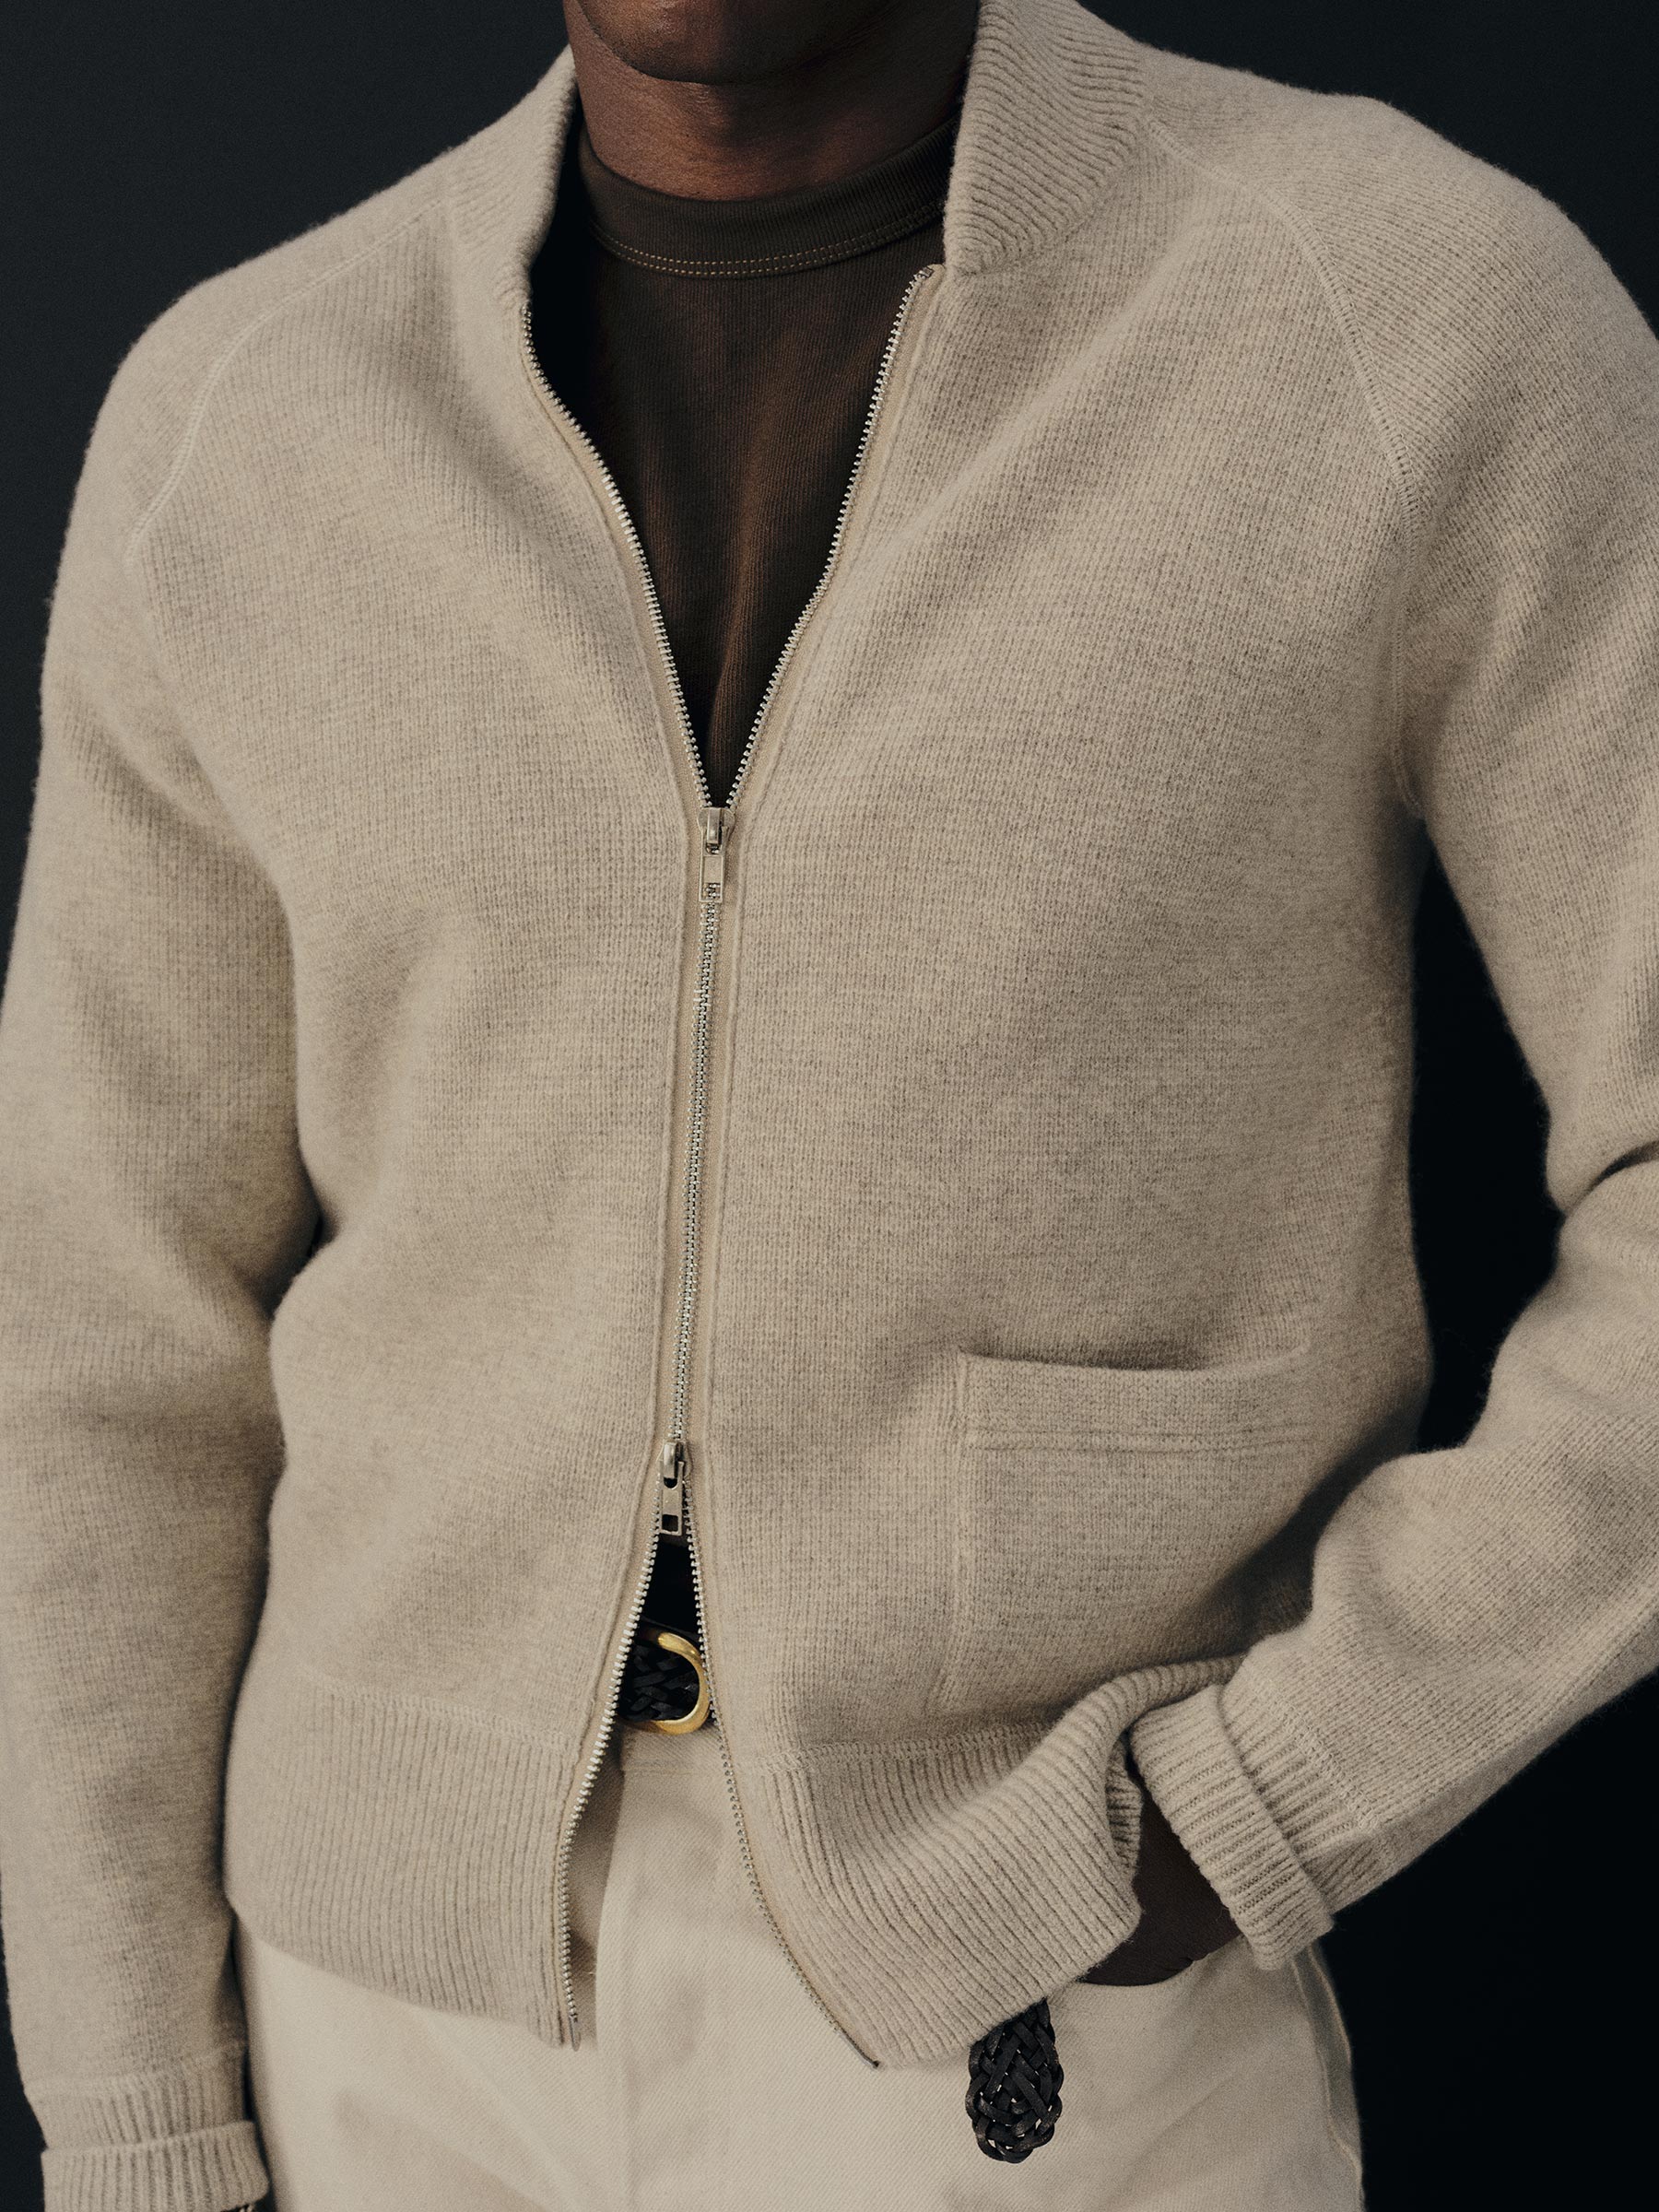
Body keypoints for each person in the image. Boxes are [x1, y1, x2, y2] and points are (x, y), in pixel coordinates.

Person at [3, 0, 1656, 2203]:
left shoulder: (1392, 317)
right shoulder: (250, 414)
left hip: (1046, 1987)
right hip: (371, 2027)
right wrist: (136, 2105)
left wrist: (1265, 1793)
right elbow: (101, 1340)